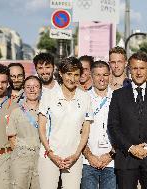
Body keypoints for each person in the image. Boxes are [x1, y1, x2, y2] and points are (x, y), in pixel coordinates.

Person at [108, 52, 147, 189]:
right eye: (135, 68)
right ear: (129, 69)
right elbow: (113, 126)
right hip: (126, 159)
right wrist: (131, 148)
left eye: (142, 68)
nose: (139, 72)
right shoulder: (118, 95)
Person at [37, 57, 93, 189]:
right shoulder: (48, 96)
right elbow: (41, 128)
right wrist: (51, 153)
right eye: (69, 74)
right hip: (49, 156)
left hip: (73, 158)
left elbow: (85, 130)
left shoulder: (85, 97)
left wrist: (76, 154)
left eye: (76, 75)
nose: (72, 79)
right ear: (61, 74)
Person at [81, 60, 116, 189]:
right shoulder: (83, 99)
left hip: (112, 162)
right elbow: (78, 131)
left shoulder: (118, 98)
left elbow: (124, 130)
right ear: (91, 75)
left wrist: (110, 155)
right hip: (87, 162)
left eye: (105, 75)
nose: (102, 79)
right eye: (98, 75)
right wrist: (90, 156)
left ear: (110, 75)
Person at [7, 75, 42, 189]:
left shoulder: (46, 111)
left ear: (40, 89)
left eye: (35, 86)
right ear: (24, 89)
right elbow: (12, 138)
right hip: (21, 158)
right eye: (28, 87)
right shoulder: (16, 111)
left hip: (41, 158)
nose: (32, 89)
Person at [0, 64, 16, 189]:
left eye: (3, 82)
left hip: (4, 158)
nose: (0, 85)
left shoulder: (14, 107)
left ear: (8, 83)